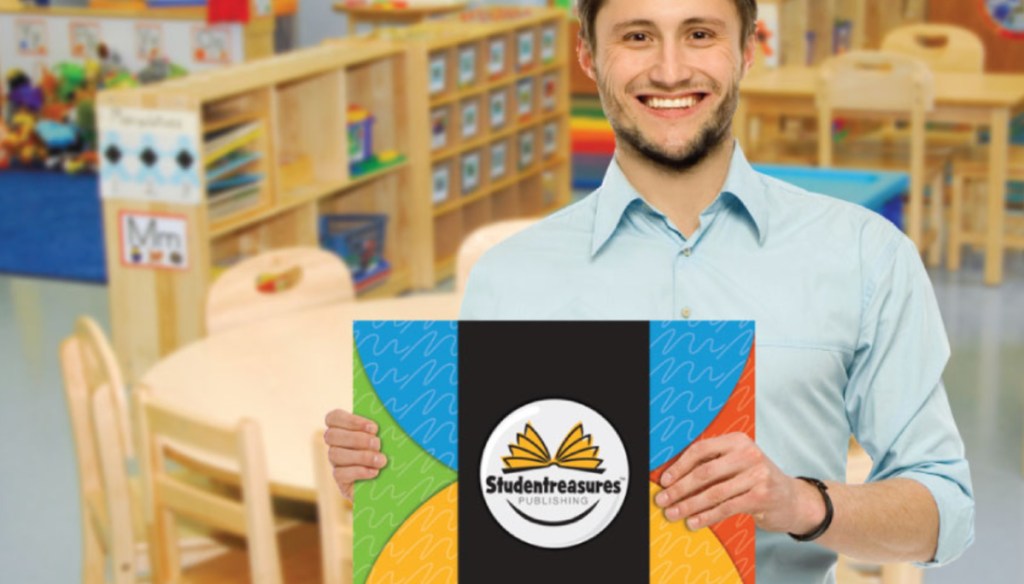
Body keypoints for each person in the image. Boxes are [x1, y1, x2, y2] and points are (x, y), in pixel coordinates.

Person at [324, 0, 975, 581]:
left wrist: (798, 501)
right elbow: (488, 506)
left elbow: (945, 512)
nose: (669, 70)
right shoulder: (509, 277)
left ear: (747, 49)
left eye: (699, 33)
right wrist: (392, 477)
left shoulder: (865, 255)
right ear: (588, 54)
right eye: (637, 36)